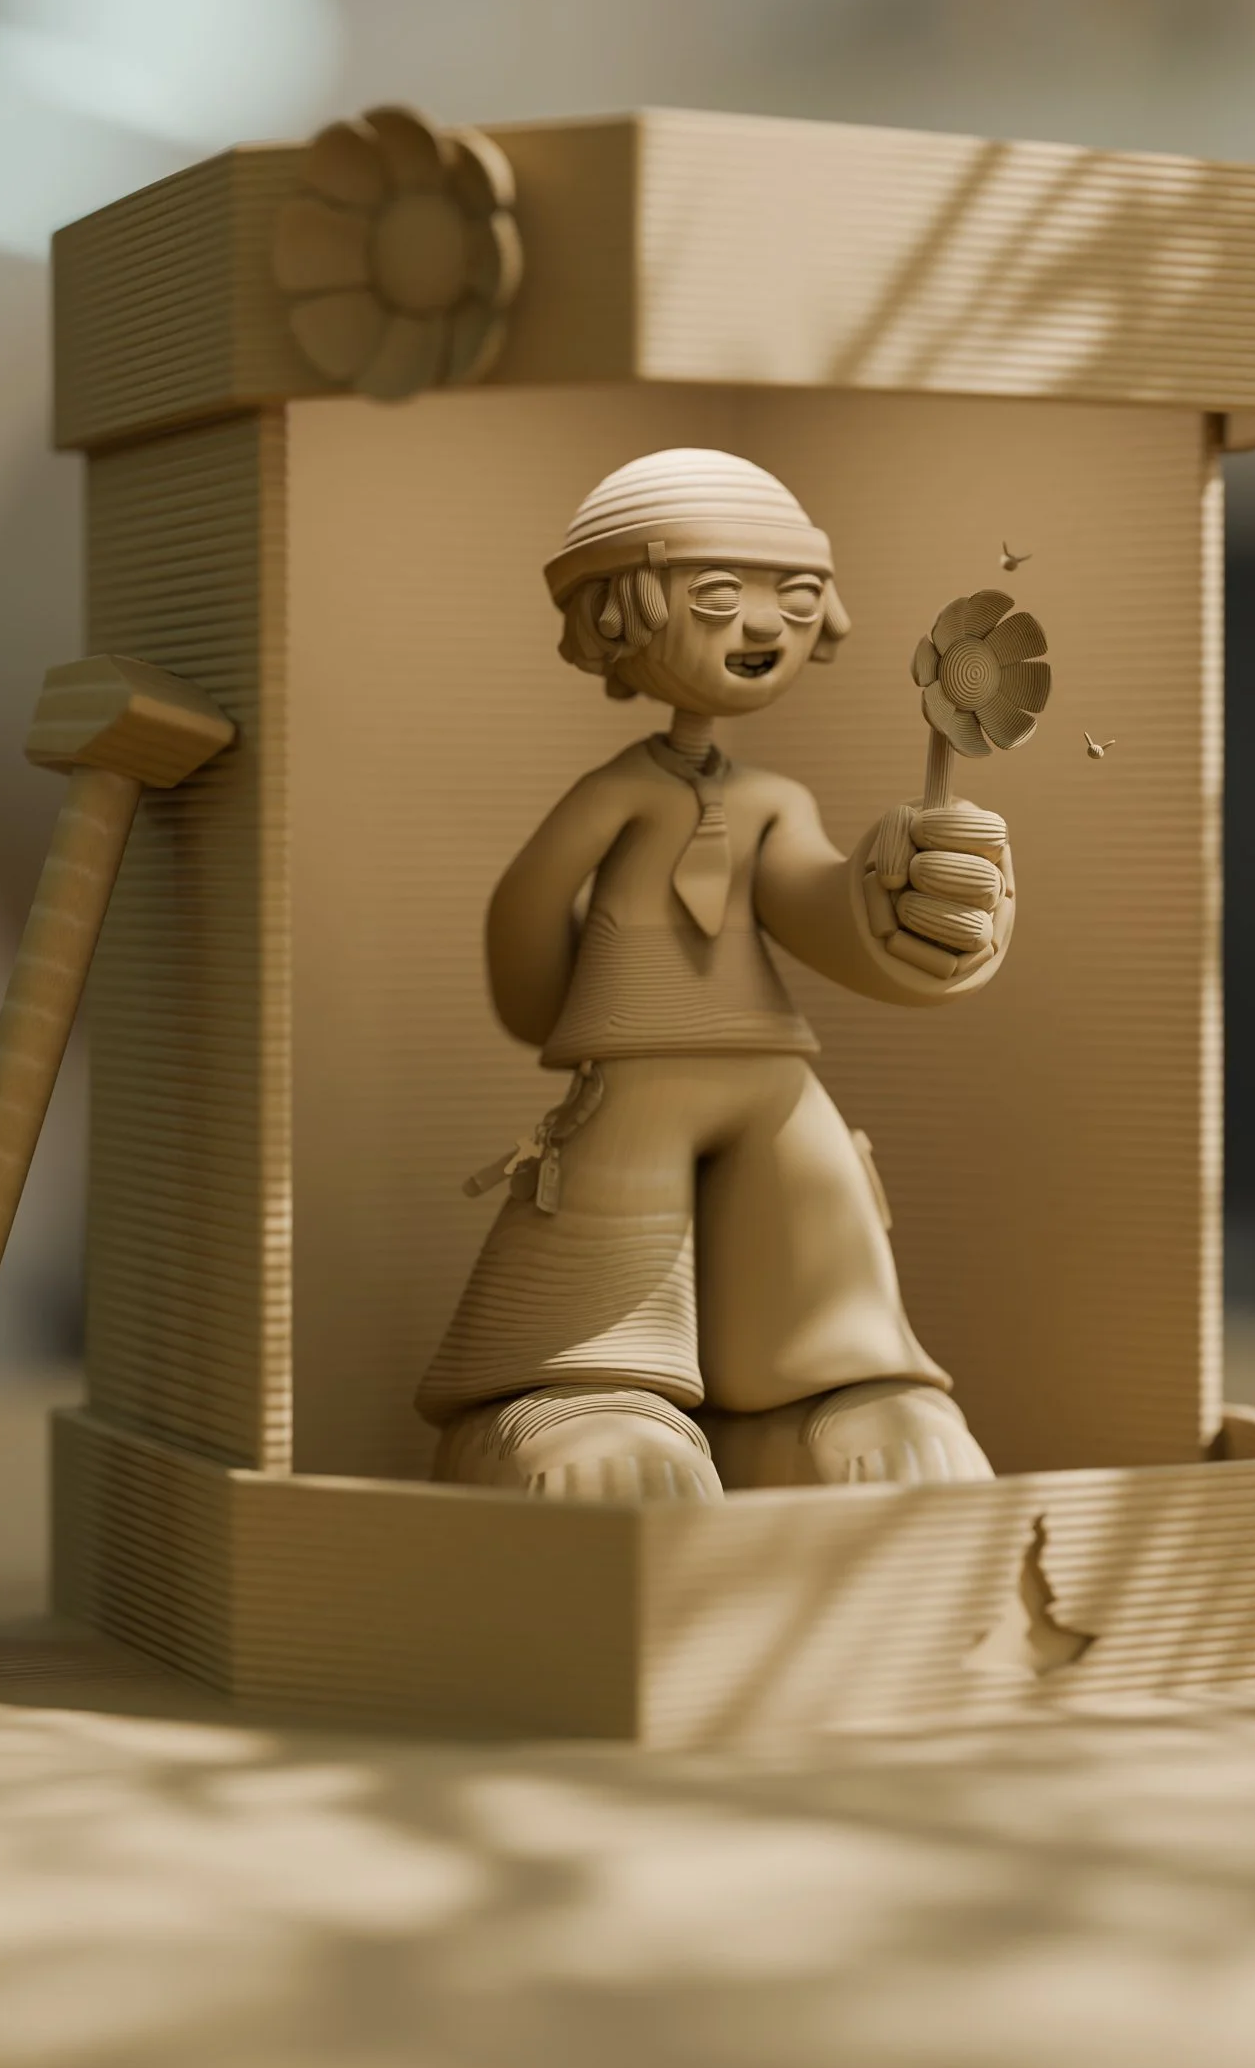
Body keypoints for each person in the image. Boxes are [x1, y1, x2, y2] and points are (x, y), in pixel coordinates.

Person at [418, 448, 1019, 1499]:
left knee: (819, 1225)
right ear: (620, 614)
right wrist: (555, 1004)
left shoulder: (772, 799)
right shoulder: (615, 791)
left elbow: (817, 907)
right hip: (637, 1076)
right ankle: (585, 1400)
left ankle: (840, 1396)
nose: (760, 627)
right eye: (715, 595)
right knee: (603, 1248)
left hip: (770, 1071)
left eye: (791, 599)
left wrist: (916, 908)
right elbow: (527, 917)